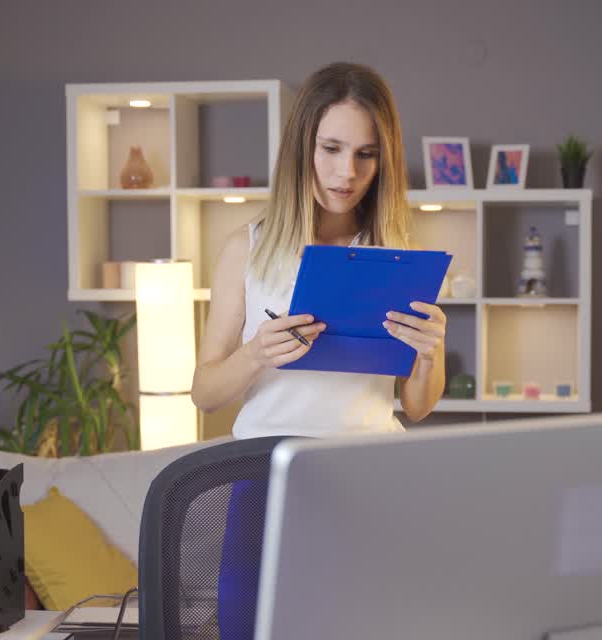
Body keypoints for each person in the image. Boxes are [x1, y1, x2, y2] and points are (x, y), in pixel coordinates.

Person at [192, 62, 448, 439]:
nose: (347, 172)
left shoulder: (399, 255)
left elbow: (418, 407)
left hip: (368, 460)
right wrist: (256, 354)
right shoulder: (246, 249)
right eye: (331, 148)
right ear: (301, 148)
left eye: (366, 154)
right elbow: (205, 394)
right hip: (267, 461)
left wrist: (430, 352)